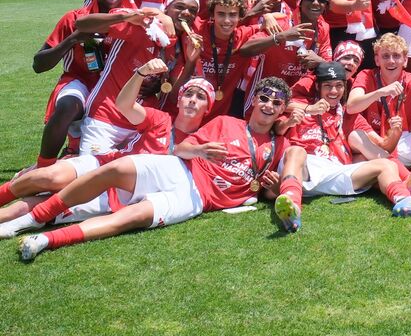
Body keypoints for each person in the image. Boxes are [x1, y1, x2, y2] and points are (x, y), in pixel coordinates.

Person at [3, 77, 293, 261]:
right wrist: (201, 150)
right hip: (182, 170)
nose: (268, 106)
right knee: (109, 169)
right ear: (254, 100)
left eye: (276, 103)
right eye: (264, 98)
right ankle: (31, 219)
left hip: (195, 200)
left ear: (282, 110)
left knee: (133, 217)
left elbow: (268, 192)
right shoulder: (224, 123)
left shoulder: (279, 145)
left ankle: (45, 239)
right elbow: (180, 150)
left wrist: (274, 185)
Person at [0, 67, 214, 227]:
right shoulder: (160, 119)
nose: (192, 100)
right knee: (48, 177)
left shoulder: (200, 146)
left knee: (43, 204)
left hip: (120, 193)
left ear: (208, 108)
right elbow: (124, 105)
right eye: (188, 94)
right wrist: (140, 74)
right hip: (104, 163)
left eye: (201, 97)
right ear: (178, 101)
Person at [272, 61, 411, 233]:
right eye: (328, 86)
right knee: (296, 151)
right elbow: (278, 119)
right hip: (303, 167)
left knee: (386, 164)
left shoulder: (349, 115)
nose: (333, 91)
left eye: (339, 86)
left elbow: (382, 147)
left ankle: (404, 201)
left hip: (335, 169)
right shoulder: (302, 105)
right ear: (318, 87)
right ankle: (291, 205)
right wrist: (295, 119)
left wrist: (395, 133)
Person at [74, 0, 202, 155]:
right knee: (91, 173)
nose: (186, 13)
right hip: (106, 116)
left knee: (133, 179)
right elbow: (82, 24)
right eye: (179, 7)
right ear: (166, 8)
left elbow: (172, 95)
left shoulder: (180, 45)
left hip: (140, 123)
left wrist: (191, 62)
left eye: (192, 10)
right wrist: (127, 16)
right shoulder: (142, 24)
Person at [32, 0, 134, 167]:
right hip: (79, 80)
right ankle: (44, 165)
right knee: (68, 106)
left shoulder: (133, 21)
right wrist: (72, 39)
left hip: (117, 87)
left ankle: (77, 150)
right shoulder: (74, 19)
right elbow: (39, 64)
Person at [194, 0, 313, 119]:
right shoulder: (197, 29)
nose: (227, 20)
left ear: (240, 16)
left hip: (221, 115)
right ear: (212, 15)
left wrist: (269, 18)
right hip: (191, 108)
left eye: (232, 15)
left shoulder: (246, 34)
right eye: (221, 14)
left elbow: (268, 25)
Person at [345, 35, 411, 170]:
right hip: (373, 140)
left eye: (396, 56)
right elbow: (351, 106)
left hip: (404, 141)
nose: (391, 61)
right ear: (377, 60)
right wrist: (380, 92)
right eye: (385, 56)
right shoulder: (366, 75)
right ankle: (401, 171)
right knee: (358, 157)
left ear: (405, 60)